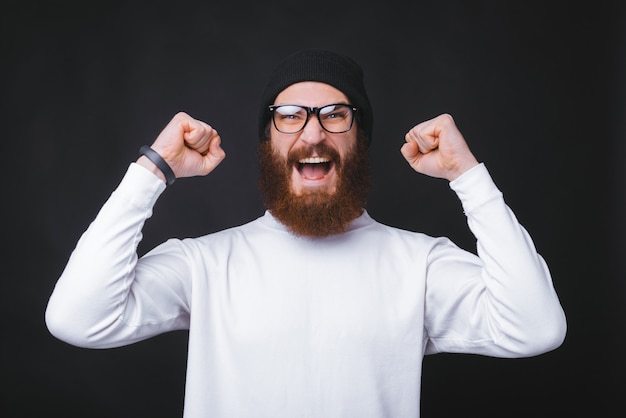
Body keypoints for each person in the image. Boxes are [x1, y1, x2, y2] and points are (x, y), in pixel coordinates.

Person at [45, 48, 567, 417]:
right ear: (268, 142)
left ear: (359, 141)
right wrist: (153, 169)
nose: (313, 133)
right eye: (290, 116)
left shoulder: (419, 265)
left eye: (336, 115)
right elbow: (77, 318)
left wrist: (468, 176)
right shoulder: (206, 264)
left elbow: (535, 327)